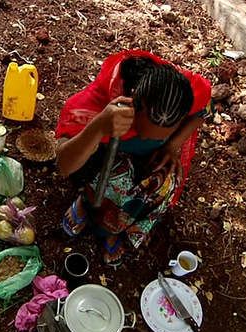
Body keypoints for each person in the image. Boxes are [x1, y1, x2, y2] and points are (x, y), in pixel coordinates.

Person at [55, 49, 214, 267]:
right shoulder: (98, 104)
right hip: (103, 159)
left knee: (165, 180)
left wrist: (171, 146)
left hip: (145, 157)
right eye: (141, 130)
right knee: (116, 182)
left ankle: (114, 226)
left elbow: (202, 112)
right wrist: (99, 127)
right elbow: (64, 166)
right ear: (131, 104)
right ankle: (87, 203)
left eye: (161, 133)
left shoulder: (179, 93)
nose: (146, 137)